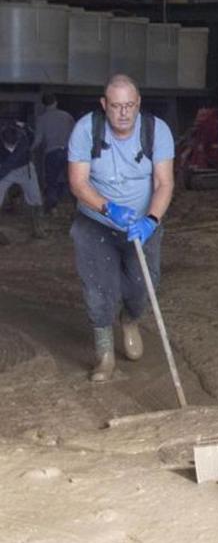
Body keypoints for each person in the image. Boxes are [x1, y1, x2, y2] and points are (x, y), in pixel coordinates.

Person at [66, 74, 175, 382]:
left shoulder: (157, 131)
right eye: (116, 106)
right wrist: (108, 208)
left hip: (143, 224)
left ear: (138, 104)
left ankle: (130, 320)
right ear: (105, 105)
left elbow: (164, 183)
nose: (124, 113)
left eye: (130, 106)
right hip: (96, 222)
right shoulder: (87, 129)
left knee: (144, 284)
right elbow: (78, 182)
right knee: (99, 288)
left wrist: (150, 221)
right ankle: (104, 355)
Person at [0, 119, 46, 239]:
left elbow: (10, 162)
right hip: (5, 170)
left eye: (13, 144)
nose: (11, 148)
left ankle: (38, 227)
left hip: (24, 169)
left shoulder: (24, 138)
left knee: (35, 197)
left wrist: (26, 126)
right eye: (8, 145)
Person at [33, 93, 76, 214]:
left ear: (44, 105)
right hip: (69, 153)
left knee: (51, 181)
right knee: (73, 181)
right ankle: (77, 208)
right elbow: (76, 135)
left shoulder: (41, 119)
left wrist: (29, 150)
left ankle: (53, 209)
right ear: (56, 102)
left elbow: (38, 140)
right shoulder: (67, 116)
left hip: (52, 152)